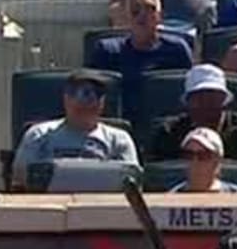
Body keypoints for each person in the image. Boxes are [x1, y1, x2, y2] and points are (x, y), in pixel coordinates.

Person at [10, 68, 142, 187]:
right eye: (77, 93)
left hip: (101, 205)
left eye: (95, 94)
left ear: (103, 102)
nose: (86, 101)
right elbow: (20, 178)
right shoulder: (39, 134)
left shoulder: (119, 139)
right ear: (65, 99)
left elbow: (132, 180)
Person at [87, 0, 196, 127]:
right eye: (135, 9)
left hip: (168, 127)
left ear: (160, 16)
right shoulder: (107, 51)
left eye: (150, 9)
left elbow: (191, 93)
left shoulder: (177, 50)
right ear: (127, 17)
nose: (142, 15)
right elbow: (91, 96)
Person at [148, 64, 237, 167]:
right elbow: (154, 172)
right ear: (188, 101)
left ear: (223, 99)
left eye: (212, 97)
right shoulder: (168, 132)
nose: (205, 104)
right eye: (199, 98)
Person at [171, 127, 237, 192]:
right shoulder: (173, 197)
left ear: (217, 161)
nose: (195, 162)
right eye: (189, 155)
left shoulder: (236, 194)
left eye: (203, 155)